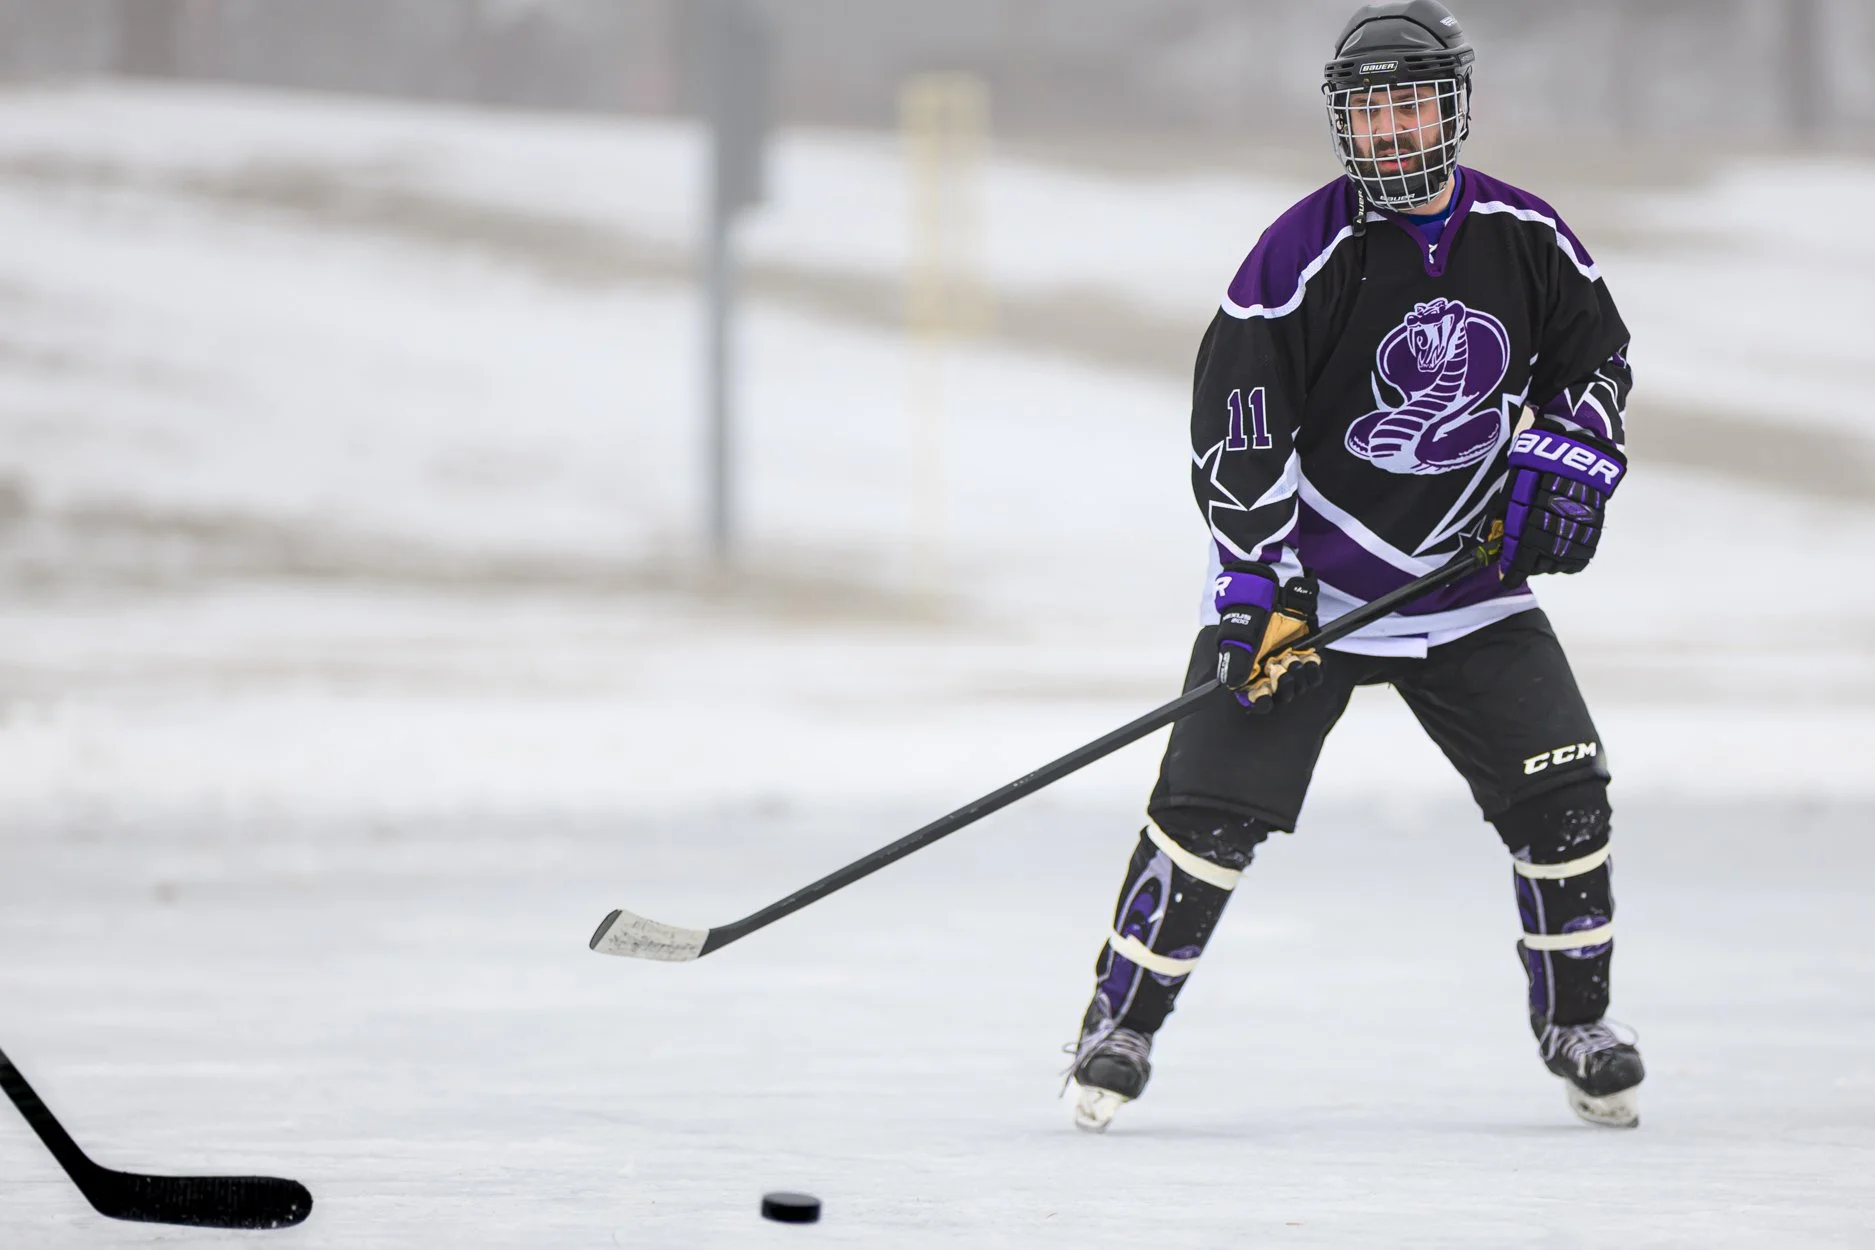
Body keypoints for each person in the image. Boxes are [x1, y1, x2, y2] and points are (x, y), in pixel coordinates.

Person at [1066, 0, 1643, 1132]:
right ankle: (1117, 1023)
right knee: (1209, 811)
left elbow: (1598, 359)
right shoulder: (1298, 255)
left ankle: (1580, 1025)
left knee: (1565, 795)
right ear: (1344, 120)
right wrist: (1257, 580)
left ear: (1454, 105)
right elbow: (1238, 436)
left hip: (1462, 581)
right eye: (1369, 109)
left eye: (1409, 103)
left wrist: (1575, 452)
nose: (1389, 130)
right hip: (1313, 586)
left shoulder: (1527, 236)